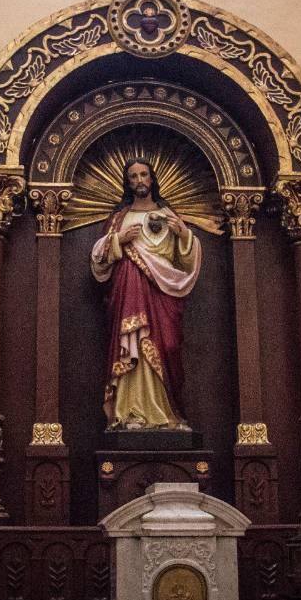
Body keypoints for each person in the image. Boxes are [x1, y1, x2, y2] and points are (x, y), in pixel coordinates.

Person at [91, 158, 201, 430]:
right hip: (128, 292)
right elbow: (98, 258)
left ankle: (167, 414)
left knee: (169, 346)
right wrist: (119, 239)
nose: (139, 180)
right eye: (133, 176)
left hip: (164, 294)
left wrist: (184, 235)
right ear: (127, 183)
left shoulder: (169, 215)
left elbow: (187, 262)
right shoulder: (120, 217)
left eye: (143, 174)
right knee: (131, 346)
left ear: (152, 179)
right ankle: (129, 414)